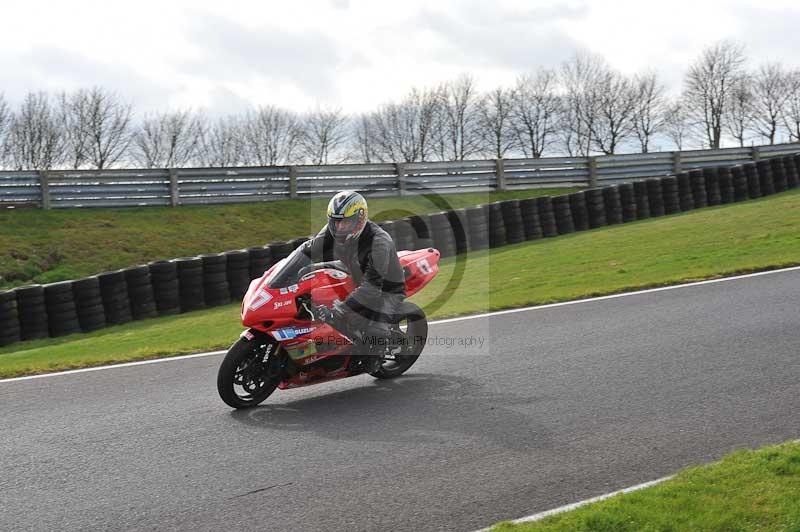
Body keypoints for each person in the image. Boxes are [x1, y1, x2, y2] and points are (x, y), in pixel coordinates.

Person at [301, 190, 406, 372]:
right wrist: (283, 270)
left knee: (375, 332)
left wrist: (340, 310)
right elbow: (307, 251)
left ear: (360, 218)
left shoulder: (379, 242)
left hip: (385, 288)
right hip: (353, 270)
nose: (339, 227)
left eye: (345, 222)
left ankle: (374, 358)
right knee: (309, 272)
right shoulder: (331, 231)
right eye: (335, 221)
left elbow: (372, 288)